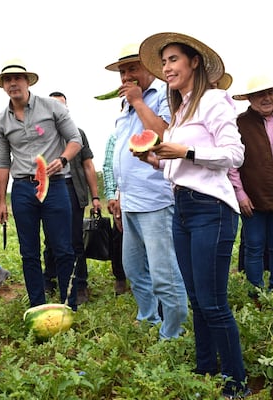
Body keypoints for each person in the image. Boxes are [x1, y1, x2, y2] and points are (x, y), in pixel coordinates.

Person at [138, 32, 250, 398]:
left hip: (210, 210)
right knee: (196, 298)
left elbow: (234, 155)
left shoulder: (214, 100)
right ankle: (205, 366)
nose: (167, 67)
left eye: (173, 59)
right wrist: (155, 160)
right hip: (182, 208)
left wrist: (184, 151)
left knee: (214, 301)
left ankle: (237, 382)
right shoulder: (181, 109)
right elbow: (180, 167)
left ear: (194, 62)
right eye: (165, 62)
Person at [105, 43, 188, 340]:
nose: (127, 76)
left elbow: (164, 135)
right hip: (129, 202)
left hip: (156, 200)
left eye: (133, 69)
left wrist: (139, 102)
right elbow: (122, 152)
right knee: (134, 269)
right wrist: (116, 195)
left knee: (164, 274)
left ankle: (173, 333)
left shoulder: (165, 96)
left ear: (148, 69)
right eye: (122, 71)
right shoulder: (124, 104)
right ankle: (148, 317)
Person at [0, 59, 82, 310]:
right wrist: (1, 201)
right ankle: (37, 305)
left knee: (63, 248)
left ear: (27, 81)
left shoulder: (52, 107)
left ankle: (68, 304)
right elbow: (2, 161)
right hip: (22, 188)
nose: (13, 84)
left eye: (17, 79)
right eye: (7, 80)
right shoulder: (0, 122)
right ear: (3, 86)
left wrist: (62, 159)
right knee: (28, 252)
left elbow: (75, 139)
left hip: (55, 185)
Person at [43, 91, 101, 305]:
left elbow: (88, 165)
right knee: (50, 239)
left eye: (62, 106)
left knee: (76, 239)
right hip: (50, 190)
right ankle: (49, 279)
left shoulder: (78, 133)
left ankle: (81, 284)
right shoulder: (41, 133)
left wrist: (95, 196)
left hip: (73, 189)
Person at [229, 74, 273, 292]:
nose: (266, 98)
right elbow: (232, 165)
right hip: (252, 199)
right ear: (250, 99)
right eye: (260, 94)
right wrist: (240, 194)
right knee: (254, 247)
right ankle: (257, 294)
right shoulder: (240, 124)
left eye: (270, 93)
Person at [102, 131, 128, 295]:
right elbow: (108, 167)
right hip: (121, 195)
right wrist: (112, 196)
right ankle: (120, 277)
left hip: (149, 196)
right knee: (118, 238)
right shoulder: (115, 137)